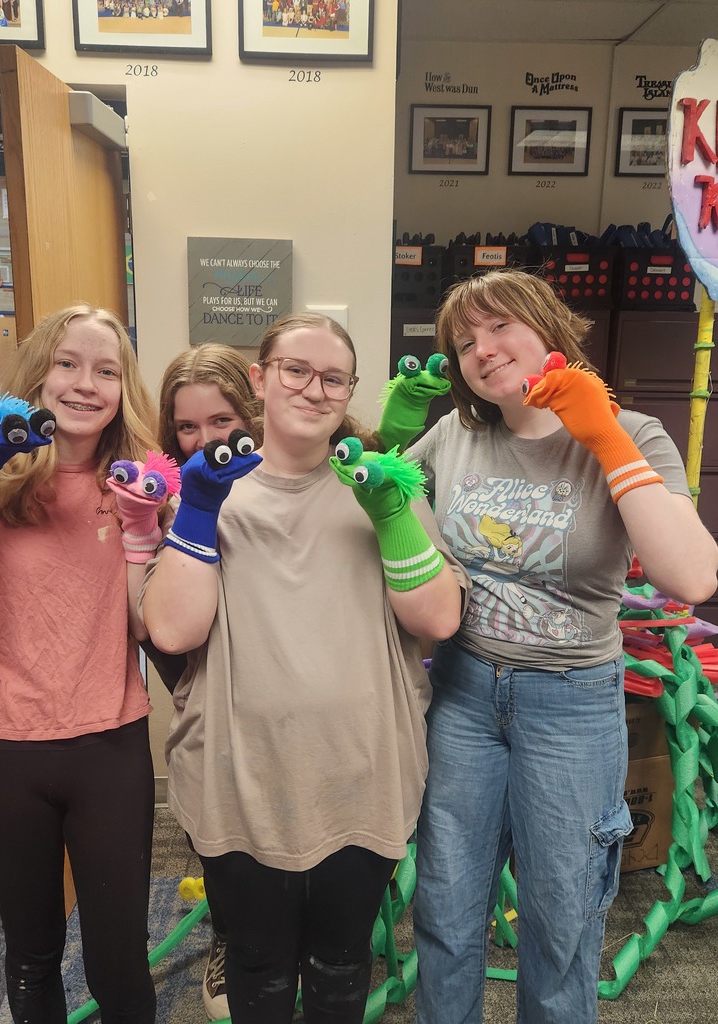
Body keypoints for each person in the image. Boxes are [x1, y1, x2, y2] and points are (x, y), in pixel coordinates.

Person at [405, 269, 718, 1024]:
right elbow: (386, 492)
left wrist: (604, 436)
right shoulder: (455, 433)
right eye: (464, 342)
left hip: (570, 707)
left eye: (501, 326)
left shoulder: (632, 431)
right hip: (464, 693)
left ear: (546, 327)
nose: (483, 350)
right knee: (446, 912)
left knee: (562, 920)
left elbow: (692, 575)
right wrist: (391, 463)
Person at [141, 312, 467, 1024]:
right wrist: (198, 509)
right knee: (256, 965)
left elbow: (438, 620)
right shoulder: (207, 495)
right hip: (238, 776)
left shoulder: (386, 484)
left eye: (334, 378)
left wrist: (389, 512)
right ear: (259, 379)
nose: (314, 389)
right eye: (295, 370)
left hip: (362, 772)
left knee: (342, 962)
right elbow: (170, 627)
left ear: (351, 389)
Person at [0, 303, 166, 1024]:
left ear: (122, 388)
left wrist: (142, 528)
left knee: (118, 962)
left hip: (108, 746)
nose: (85, 383)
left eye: (106, 370)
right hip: (1, 749)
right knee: (32, 953)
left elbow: (149, 628)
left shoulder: (136, 485)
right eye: (68, 364)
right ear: (38, 375)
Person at [152, 341, 260, 1021]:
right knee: (215, 818)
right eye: (187, 428)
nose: (203, 440)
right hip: (206, 682)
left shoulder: (292, 476)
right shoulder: (166, 495)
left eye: (220, 422)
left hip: (286, 685)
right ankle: (230, 932)